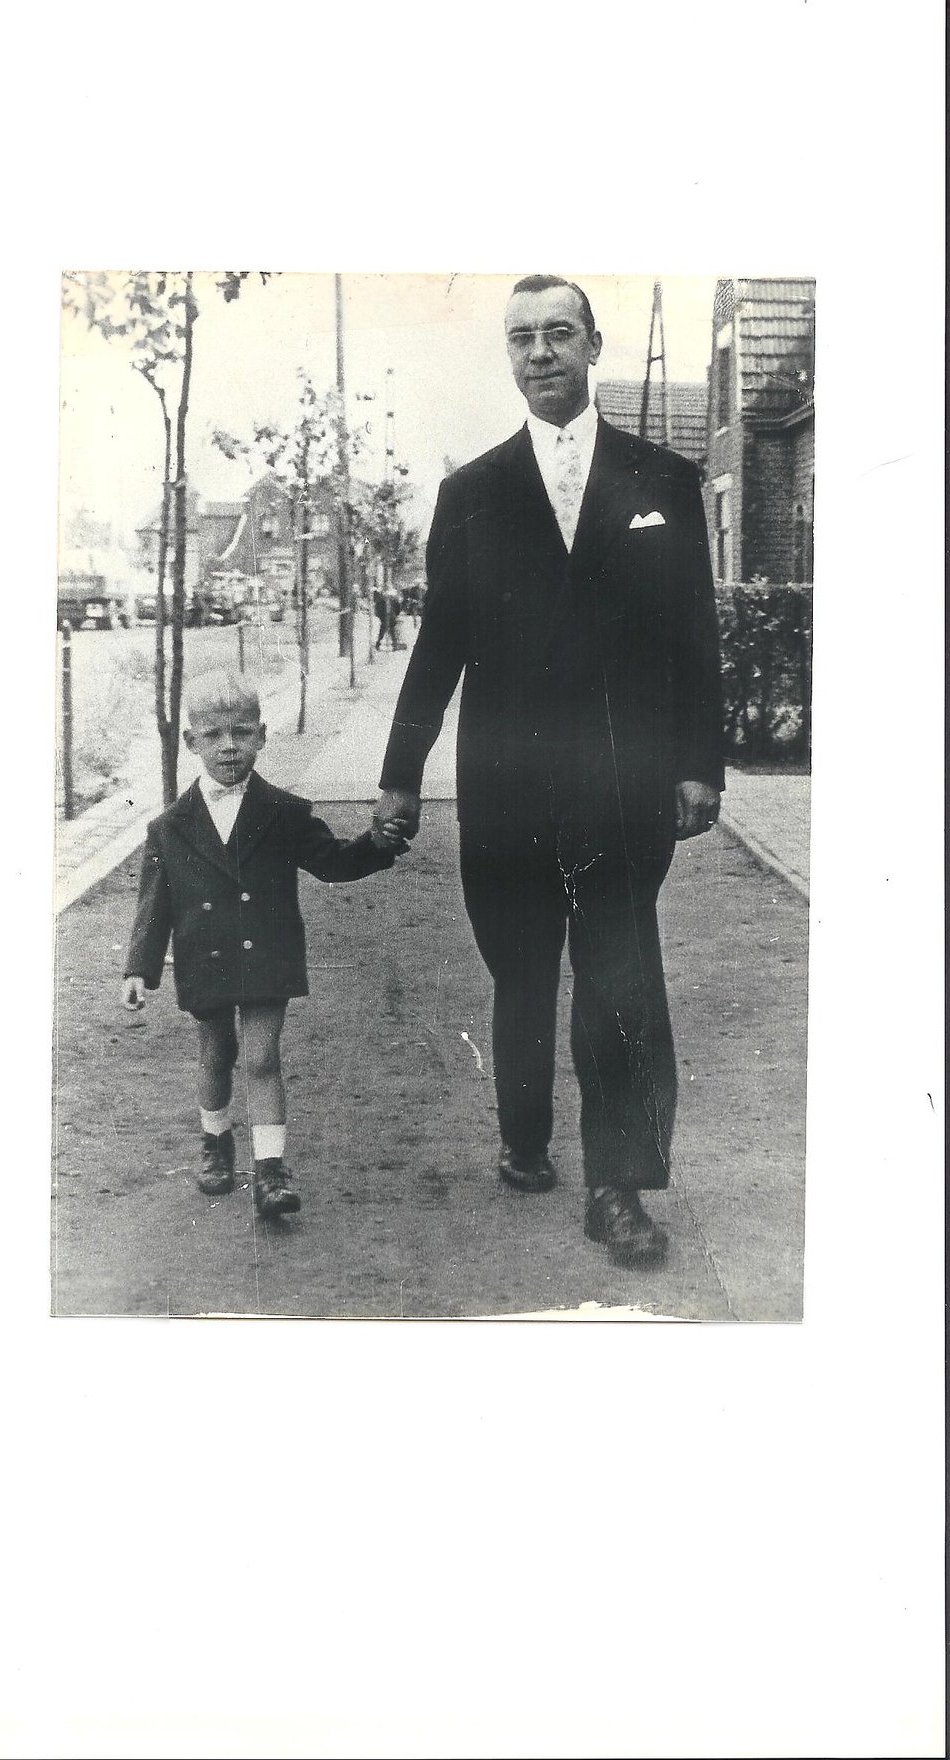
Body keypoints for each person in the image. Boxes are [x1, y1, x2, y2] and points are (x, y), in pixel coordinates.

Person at [373, 275, 724, 1269]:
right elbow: (437, 641)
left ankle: (616, 1185)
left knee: (618, 973)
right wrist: (400, 772)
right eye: (521, 337)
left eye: (557, 334)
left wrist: (701, 762)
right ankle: (523, 1133)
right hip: (507, 785)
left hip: (622, 780)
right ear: (508, 355)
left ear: (593, 344)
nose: (539, 353)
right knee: (521, 966)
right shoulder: (471, 493)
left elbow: (692, 636)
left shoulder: (663, 483)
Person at [123, 670, 408, 1219]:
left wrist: (376, 844)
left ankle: (272, 1171)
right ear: (191, 743)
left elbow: (334, 863)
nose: (228, 746)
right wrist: (139, 968)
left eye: (242, 732)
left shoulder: (283, 812)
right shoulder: (169, 827)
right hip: (203, 955)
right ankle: (216, 1145)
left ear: (262, 735)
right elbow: (152, 905)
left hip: (265, 951)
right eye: (213, 735)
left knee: (261, 1056)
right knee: (217, 1053)